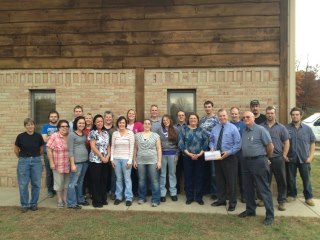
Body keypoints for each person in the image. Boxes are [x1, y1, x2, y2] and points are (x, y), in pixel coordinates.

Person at [239, 111, 274, 226]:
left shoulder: (260, 130)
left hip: (258, 162)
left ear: (253, 118)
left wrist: (266, 158)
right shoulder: (244, 131)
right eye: (243, 117)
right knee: (248, 188)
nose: (245, 119)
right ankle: (250, 210)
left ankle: (270, 215)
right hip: (246, 162)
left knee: (263, 188)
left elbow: (270, 146)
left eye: (248, 117)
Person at [210, 109, 241, 211]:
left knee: (231, 181)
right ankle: (221, 200)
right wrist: (211, 147)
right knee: (219, 179)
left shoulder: (233, 128)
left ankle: (232, 202)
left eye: (224, 115)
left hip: (230, 157)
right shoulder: (215, 128)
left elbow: (238, 144)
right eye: (220, 116)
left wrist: (229, 152)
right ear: (218, 117)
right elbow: (211, 140)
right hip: (217, 156)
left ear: (227, 116)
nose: (222, 117)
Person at [285, 107, 316, 206]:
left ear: (301, 116)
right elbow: (283, 142)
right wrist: (284, 155)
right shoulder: (286, 128)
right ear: (291, 116)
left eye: (297, 114)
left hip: (304, 159)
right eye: (293, 114)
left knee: (306, 179)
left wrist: (311, 157)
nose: (295, 116)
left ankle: (308, 197)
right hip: (291, 158)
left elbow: (312, 143)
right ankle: (292, 195)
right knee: (290, 178)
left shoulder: (307, 129)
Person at [261, 106, 289, 211]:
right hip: (264, 158)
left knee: (281, 180)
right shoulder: (261, 127)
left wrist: (284, 155)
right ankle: (263, 199)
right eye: (268, 113)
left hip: (278, 158)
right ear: (266, 113)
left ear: (275, 114)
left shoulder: (281, 127)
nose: (270, 115)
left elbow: (286, 142)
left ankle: (281, 201)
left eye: (272, 113)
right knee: (264, 180)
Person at [178, 113, 209, 205]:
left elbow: (206, 142)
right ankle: (190, 197)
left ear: (197, 120)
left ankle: (199, 197)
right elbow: (180, 143)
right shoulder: (184, 130)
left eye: (194, 118)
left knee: (199, 177)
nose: (193, 120)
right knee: (188, 177)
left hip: (200, 157)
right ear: (188, 120)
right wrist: (189, 154)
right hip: (187, 157)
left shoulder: (202, 130)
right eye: (191, 118)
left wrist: (200, 154)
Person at [14, 118, 44, 212]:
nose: (30, 126)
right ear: (25, 126)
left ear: (34, 125)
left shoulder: (38, 136)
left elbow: (41, 149)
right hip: (23, 161)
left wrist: (35, 157)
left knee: (36, 184)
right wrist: (23, 158)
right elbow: (16, 149)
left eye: (31, 124)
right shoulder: (20, 136)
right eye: (28, 125)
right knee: (23, 184)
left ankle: (33, 204)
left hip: (36, 161)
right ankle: (24, 205)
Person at [134, 119, 162, 207]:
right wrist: (134, 160)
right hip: (140, 161)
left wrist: (159, 161)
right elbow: (135, 149)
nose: (147, 125)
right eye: (145, 123)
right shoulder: (137, 135)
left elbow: (159, 149)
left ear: (151, 125)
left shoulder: (155, 135)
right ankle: (142, 197)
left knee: (154, 181)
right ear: (143, 125)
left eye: (148, 124)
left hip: (153, 161)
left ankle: (156, 199)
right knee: (141, 180)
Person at [111, 116, 135, 206]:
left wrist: (130, 160)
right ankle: (118, 197)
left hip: (126, 160)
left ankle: (128, 197)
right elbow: (113, 146)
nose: (121, 124)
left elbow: (132, 147)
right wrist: (112, 159)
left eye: (123, 123)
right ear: (118, 124)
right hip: (116, 159)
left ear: (126, 124)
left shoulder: (130, 133)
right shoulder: (115, 134)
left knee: (127, 179)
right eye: (120, 123)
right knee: (119, 179)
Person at [66, 116, 89, 209]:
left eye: (83, 123)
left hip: (85, 161)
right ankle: (71, 203)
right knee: (73, 183)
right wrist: (72, 164)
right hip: (77, 163)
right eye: (80, 123)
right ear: (76, 123)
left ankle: (80, 199)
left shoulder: (83, 133)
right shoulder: (72, 134)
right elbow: (70, 150)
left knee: (80, 182)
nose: (81, 125)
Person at [88, 114, 111, 208]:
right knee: (96, 180)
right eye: (98, 121)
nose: (100, 123)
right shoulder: (93, 132)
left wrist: (108, 156)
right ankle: (96, 201)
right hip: (95, 160)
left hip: (105, 160)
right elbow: (93, 146)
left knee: (104, 180)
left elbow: (108, 145)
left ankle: (103, 199)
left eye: (101, 121)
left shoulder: (106, 133)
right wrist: (101, 157)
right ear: (94, 123)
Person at [47, 120, 70, 208]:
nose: (65, 128)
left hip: (68, 164)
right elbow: (49, 150)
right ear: (58, 128)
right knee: (59, 183)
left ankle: (65, 199)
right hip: (58, 164)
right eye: (62, 126)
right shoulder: (54, 136)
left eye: (66, 126)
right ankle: (59, 200)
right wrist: (51, 162)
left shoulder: (69, 136)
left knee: (66, 183)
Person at [199, 100, 219, 200]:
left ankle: (214, 192)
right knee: (204, 169)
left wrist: (214, 146)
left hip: (213, 148)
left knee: (214, 171)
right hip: (203, 147)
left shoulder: (216, 119)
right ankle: (205, 190)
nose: (207, 108)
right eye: (206, 107)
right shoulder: (202, 119)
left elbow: (218, 133)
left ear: (212, 107)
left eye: (209, 106)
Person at [157, 114, 179, 202]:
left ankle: (173, 192)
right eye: (164, 120)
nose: (165, 121)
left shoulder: (175, 129)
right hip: (162, 154)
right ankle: (162, 193)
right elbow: (157, 143)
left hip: (173, 154)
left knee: (172, 174)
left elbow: (178, 143)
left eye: (167, 120)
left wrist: (177, 154)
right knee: (162, 174)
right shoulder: (159, 130)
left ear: (170, 120)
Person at [41, 110, 59, 198]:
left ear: (57, 117)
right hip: (47, 152)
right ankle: (50, 190)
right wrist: (57, 137)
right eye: (52, 116)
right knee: (49, 172)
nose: (53, 118)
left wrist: (50, 137)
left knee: (58, 172)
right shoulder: (45, 126)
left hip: (58, 153)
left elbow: (63, 137)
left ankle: (57, 189)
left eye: (55, 116)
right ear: (49, 118)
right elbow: (44, 139)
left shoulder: (60, 126)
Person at [230, 107, 246, 203]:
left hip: (241, 154)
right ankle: (232, 195)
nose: (234, 115)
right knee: (232, 176)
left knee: (242, 175)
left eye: (236, 114)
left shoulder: (243, 125)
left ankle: (244, 195)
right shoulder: (228, 125)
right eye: (232, 114)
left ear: (239, 114)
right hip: (231, 154)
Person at [126, 109, 144, 196]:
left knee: (137, 171)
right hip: (126, 151)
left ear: (135, 115)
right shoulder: (124, 124)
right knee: (129, 173)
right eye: (129, 113)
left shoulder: (139, 124)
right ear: (127, 115)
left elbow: (143, 136)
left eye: (133, 113)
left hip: (137, 151)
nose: (131, 115)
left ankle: (137, 191)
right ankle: (130, 191)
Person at [104, 110, 117, 199]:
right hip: (102, 156)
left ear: (112, 119)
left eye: (110, 117)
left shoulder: (116, 129)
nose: (108, 119)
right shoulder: (100, 128)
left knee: (113, 175)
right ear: (104, 118)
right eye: (106, 117)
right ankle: (104, 192)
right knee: (103, 174)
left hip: (113, 155)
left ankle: (113, 191)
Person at [175, 110, 187, 194]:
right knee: (177, 172)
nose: (181, 116)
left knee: (187, 172)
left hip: (187, 153)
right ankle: (177, 189)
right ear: (177, 117)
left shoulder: (189, 126)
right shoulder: (173, 127)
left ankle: (187, 189)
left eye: (182, 115)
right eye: (179, 115)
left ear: (185, 116)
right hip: (177, 153)